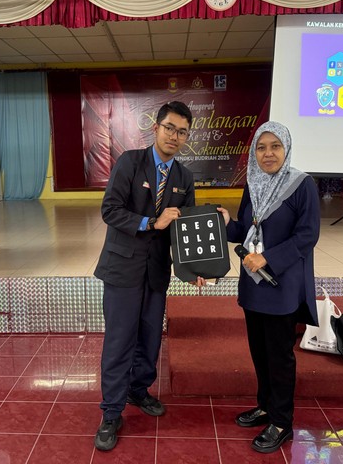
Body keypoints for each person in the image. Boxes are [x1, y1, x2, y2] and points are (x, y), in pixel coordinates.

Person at [93, 101, 195, 452]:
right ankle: (111, 412)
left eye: (182, 132)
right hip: (123, 267)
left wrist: (194, 267)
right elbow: (110, 210)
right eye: (169, 128)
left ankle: (138, 390)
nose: (174, 136)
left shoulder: (184, 177)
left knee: (150, 338)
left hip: (156, 272)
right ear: (156, 128)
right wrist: (150, 222)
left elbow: (184, 229)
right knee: (120, 340)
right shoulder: (130, 162)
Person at [218, 121, 320, 454]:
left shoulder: (301, 185)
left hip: (281, 285)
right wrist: (228, 224)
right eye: (261, 148)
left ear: (286, 149)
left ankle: (281, 421)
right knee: (259, 353)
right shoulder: (254, 184)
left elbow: (307, 235)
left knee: (279, 357)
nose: (268, 154)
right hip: (253, 285)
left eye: (275, 146)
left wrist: (269, 259)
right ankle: (265, 406)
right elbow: (245, 230)